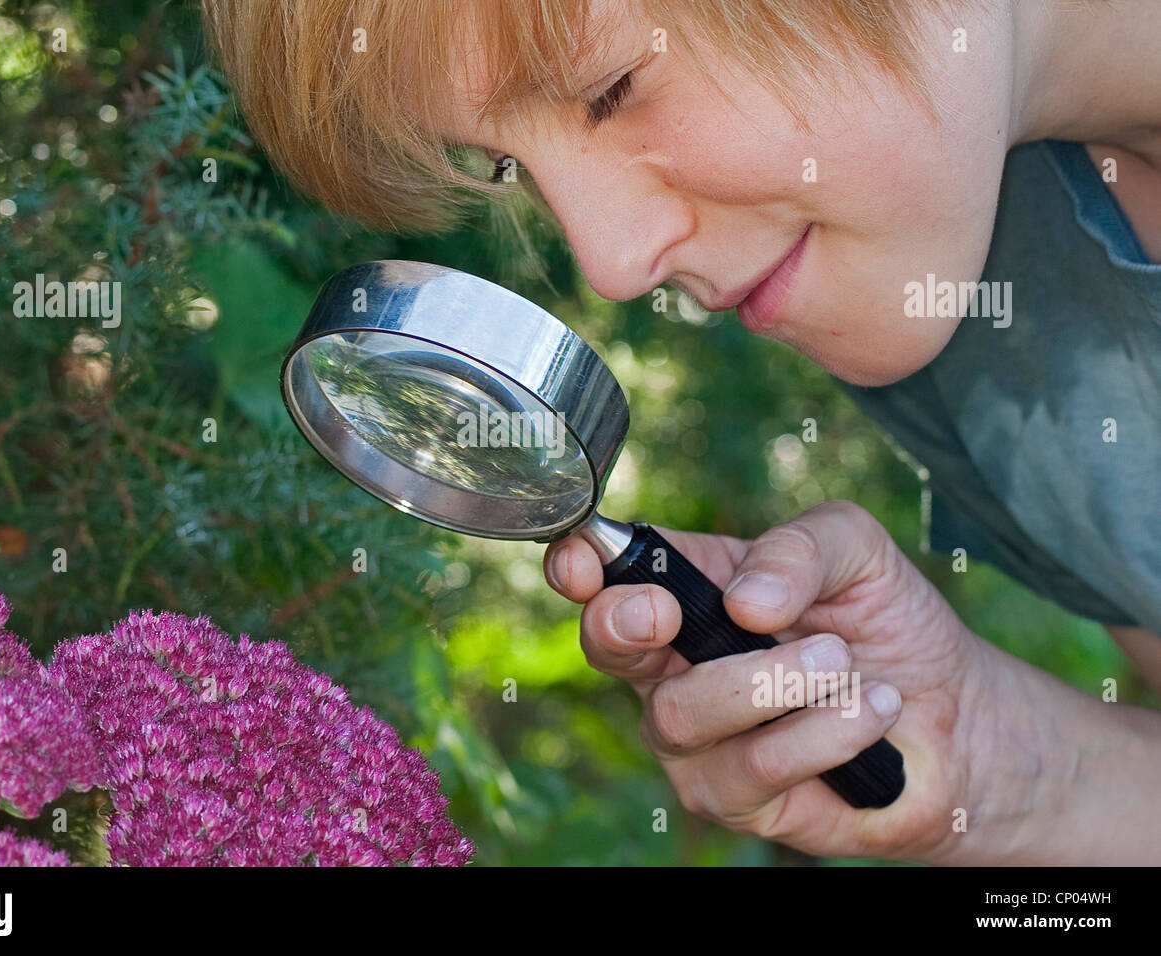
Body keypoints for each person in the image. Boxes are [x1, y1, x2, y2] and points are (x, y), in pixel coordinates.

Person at [201, 0, 1161, 863]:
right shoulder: (950, 295)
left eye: (612, 88)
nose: (611, 261)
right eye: (507, 165)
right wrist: (1013, 777)